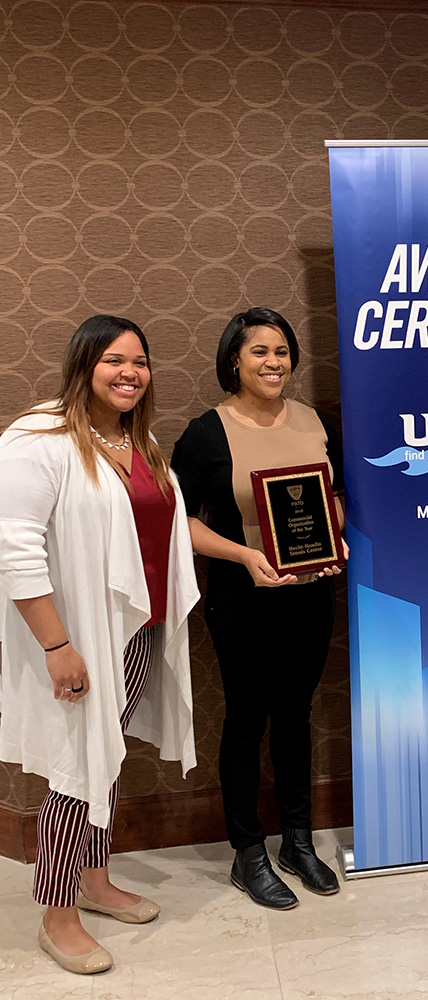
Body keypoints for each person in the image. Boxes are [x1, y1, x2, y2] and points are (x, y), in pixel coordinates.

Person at [0, 315, 199, 974]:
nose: (129, 373)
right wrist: (57, 645)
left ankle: (93, 878)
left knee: (105, 758)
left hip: (134, 633)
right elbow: (14, 545)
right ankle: (57, 917)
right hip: (75, 640)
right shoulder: (41, 437)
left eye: (139, 362)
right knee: (75, 767)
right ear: (84, 364)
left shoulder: (133, 442)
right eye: (114, 359)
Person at [171, 306, 345, 910]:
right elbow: (181, 522)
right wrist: (245, 556)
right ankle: (249, 853)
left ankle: (298, 841)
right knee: (248, 719)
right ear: (233, 362)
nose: (274, 363)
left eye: (281, 351)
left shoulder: (313, 420)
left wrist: (336, 534)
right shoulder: (204, 433)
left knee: (296, 715)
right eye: (259, 353)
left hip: (310, 592)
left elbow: (334, 494)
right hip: (242, 596)